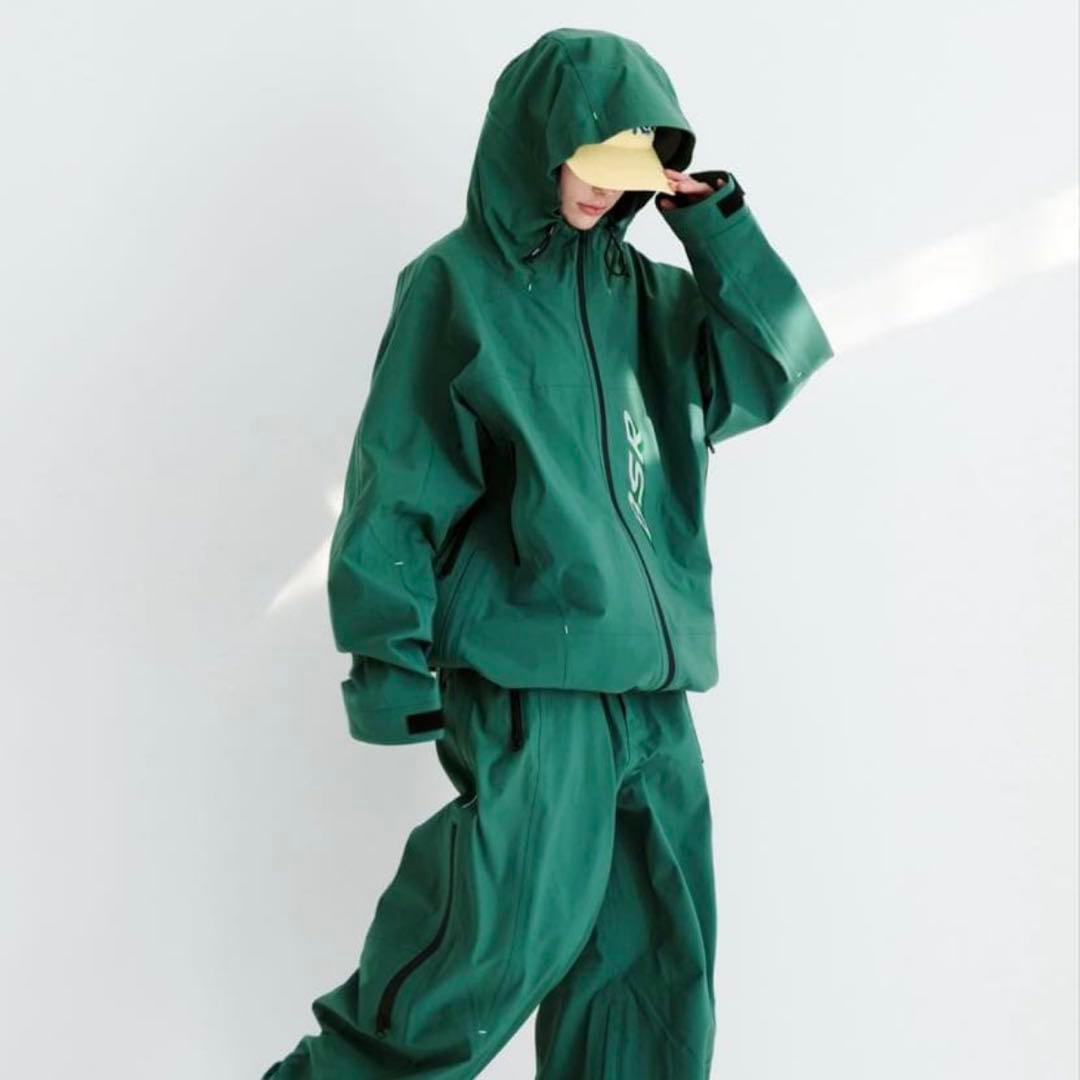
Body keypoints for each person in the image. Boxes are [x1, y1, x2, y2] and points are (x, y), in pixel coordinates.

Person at [261, 26, 833, 1080]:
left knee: (652, 982)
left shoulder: (655, 302)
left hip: (653, 694)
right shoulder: (457, 286)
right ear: (540, 140)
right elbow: (402, 472)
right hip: (533, 679)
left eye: (633, 159)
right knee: (477, 963)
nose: (605, 183)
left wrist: (709, 222)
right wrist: (388, 662)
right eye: (592, 152)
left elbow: (773, 360)